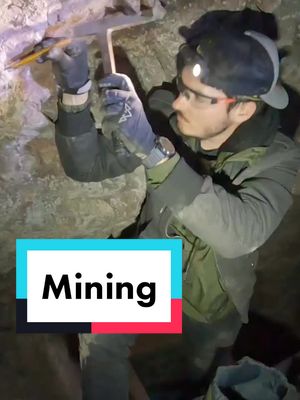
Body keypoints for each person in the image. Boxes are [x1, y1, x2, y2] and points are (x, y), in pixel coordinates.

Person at [41, 23, 300, 399]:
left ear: (243, 109)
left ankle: (198, 382)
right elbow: (88, 167)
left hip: (215, 293)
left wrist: (154, 152)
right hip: (154, 257)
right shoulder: (171, 116)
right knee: (87, 322)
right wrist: (75, 91)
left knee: (208, 358)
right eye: (183, 89)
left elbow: (240, 233)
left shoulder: (278, 160)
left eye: (197, 96)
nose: (178, 102)